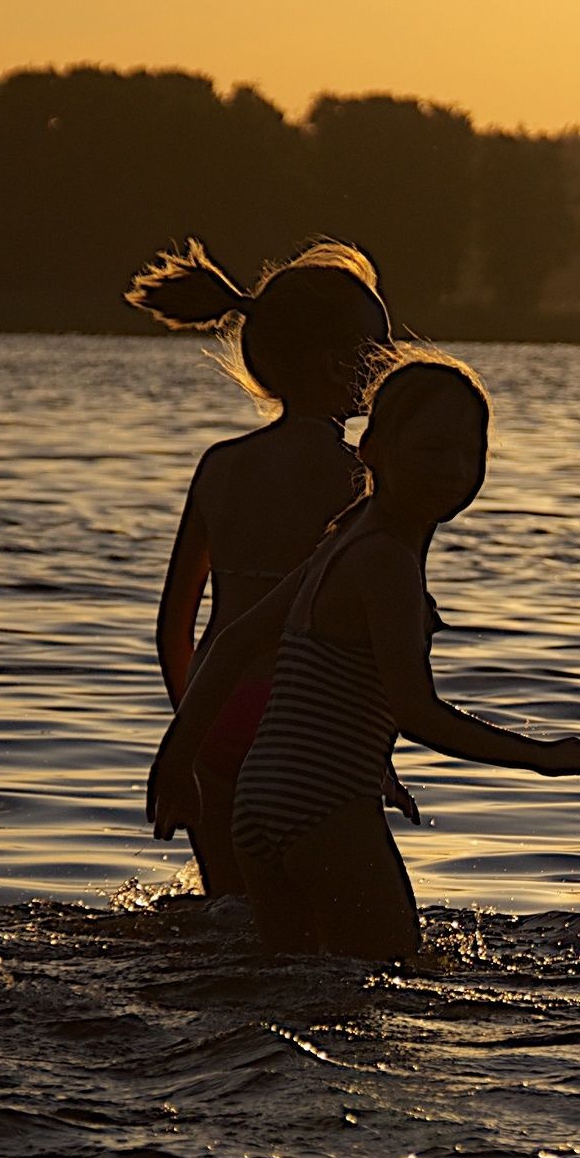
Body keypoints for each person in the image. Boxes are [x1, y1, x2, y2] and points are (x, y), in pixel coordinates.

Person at [150, 356, 580, 961]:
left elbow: (237, 642)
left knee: (286, 994)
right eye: (429, 450)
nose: (449, 470)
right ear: (370, 451)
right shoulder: (386, 561)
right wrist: (542, 757)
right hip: (324, 809)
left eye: (466, 453)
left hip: (260, 804)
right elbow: (416, 711)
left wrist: (178, 761)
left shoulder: (346, 542)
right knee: (388, 986)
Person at [131, 240, 402, 895]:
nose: (392, 366)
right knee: (322, 929)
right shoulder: (357, 479)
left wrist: (191, 732)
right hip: (304, 726)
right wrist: (377, 754)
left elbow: (174, 626)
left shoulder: (219, 467)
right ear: (338, 363)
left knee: (230, 915)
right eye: (381, 352)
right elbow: (372, 634)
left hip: (212, 716)